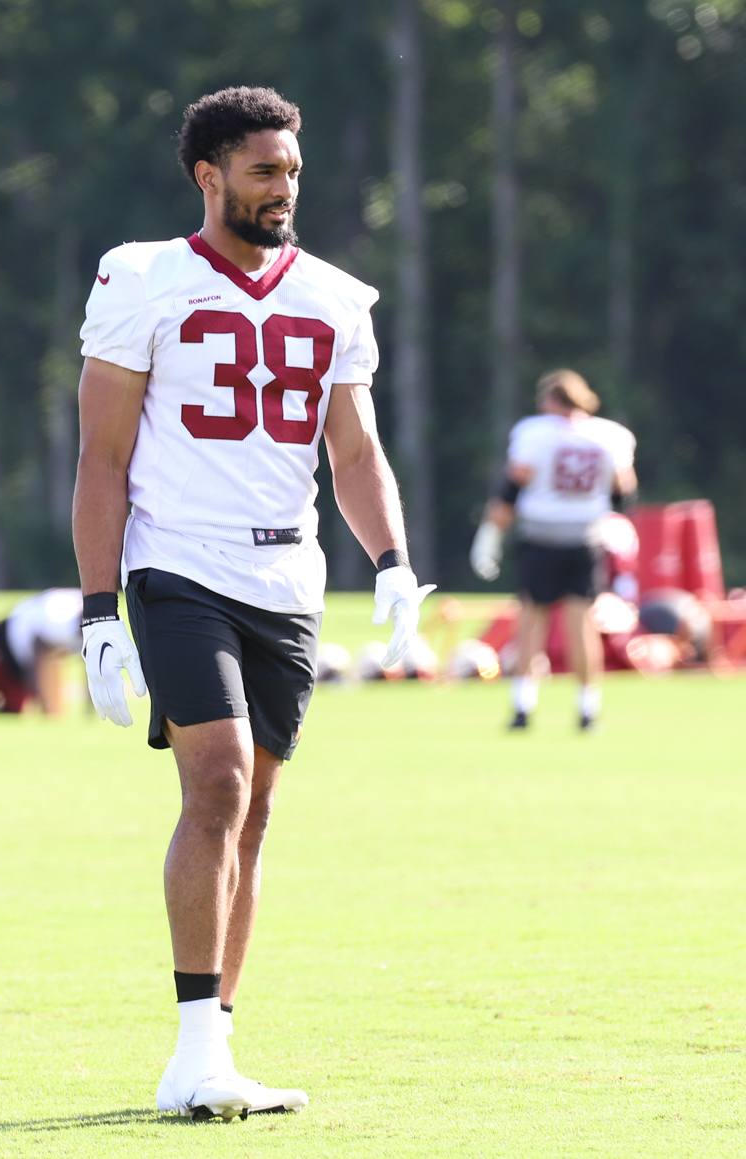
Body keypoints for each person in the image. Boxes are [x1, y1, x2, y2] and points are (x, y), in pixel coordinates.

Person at [73, 86, 434, 1121]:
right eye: (264, 170)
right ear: (209, 176)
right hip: (176, 561)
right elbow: (101, 456)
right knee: (220, 781)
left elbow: (353, 448)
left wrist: (394, 559)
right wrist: (100, 608)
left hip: (288, 574)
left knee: (257, 809)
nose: (284, 189)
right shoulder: (143, 277)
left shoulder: (334, 295)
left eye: (292, 171)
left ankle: (214, 1049)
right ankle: (187, 1048)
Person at [470, 369, 637, 730]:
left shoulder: (535, 433)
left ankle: (522, 707)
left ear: (551, 400)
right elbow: (624, 489)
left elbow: (512, 486)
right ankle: (587, 709)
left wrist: (490, 536)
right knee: (582, 623)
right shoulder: (611, 435)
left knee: (532, 620)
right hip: (586, 537)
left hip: (541, 537)